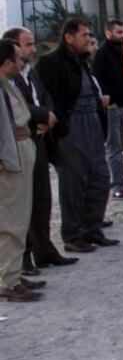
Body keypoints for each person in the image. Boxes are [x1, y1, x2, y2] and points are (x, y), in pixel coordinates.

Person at [36, 19, 118, 252]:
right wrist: (61, 125)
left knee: (99, 178)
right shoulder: (50, 62)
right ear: (69, 38)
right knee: (74, 182)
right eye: (84, 35)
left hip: (91, 124)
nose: (88, 39)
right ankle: (72, 235)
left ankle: (93, 228)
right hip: (71, 129)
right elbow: (50, 97)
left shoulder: (81, 62)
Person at [1, 27, 76, 273]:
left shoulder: (30, 72)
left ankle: (44, 250)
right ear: (13, 47)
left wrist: (49, 113)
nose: (33, 49)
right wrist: (42, 115)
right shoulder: (7, 78)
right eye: (28, 44)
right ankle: (22, 259)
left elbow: (43, 96)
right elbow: (16, 107)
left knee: (42, 198)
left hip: (38, 139)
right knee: (23, 204)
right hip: (20, 141)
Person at [0, 40, 46, 302]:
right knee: (11, 220)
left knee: (20, 215)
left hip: (20, 148)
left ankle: (13, 273)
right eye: (17, 58)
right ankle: (8, 281)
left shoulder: (9, 84)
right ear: (7, 62)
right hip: (10, 156)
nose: (22, 62)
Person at [91, 20, 123, 200]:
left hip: (120, 104)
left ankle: (122, 181)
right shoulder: (102, 54)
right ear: (108, 33)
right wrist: (108, 101)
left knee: (120, 146)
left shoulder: (118, 52)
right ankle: (117, 185)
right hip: (111, 107)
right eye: (119, 32)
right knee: (114, 147)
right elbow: (98, 80)